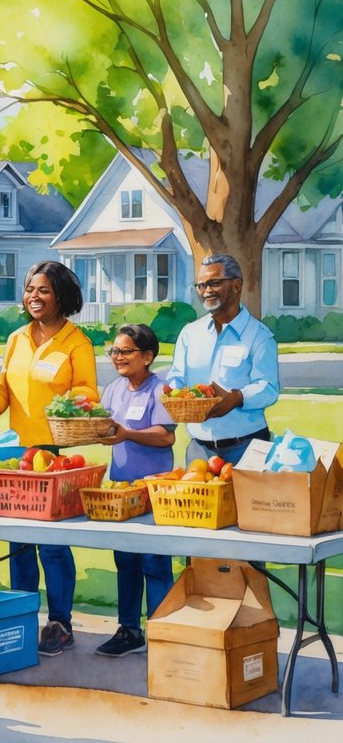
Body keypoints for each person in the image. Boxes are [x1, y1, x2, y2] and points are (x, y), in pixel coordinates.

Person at [0, 260, 96, 657]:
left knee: (52, 545)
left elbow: (88, 394)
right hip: (16, 453)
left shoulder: (77, 342)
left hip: (54, 455)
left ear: (61, 295)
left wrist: (69, 405)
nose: (33, 297)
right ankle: (23, 614)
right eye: (29, 290)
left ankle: (60, 623)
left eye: (43, 290)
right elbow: (3, 387)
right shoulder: (16, 338)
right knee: (19, 542)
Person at [96, 324, 176, 657]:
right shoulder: (114, 389)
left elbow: (166, 436)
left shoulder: (161, 389)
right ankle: (129, 630)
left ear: (147, 356)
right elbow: (103, 425)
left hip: (155, 490)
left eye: (125, 351)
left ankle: (161, 632)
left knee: (155, 562)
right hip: (121, 490)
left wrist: (128, 433)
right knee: (125, 560)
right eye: (113, 351)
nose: (117, 357)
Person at [165, 254, 279, 465]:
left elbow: (269, 388)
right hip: (199, 448)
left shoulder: (260, 336)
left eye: (214, 283)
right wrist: (176, 393)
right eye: (201, 285)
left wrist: (237, 397)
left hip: (247, 446)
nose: (206, 291)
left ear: (236, 285)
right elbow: (176, 377)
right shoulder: (190, 333)